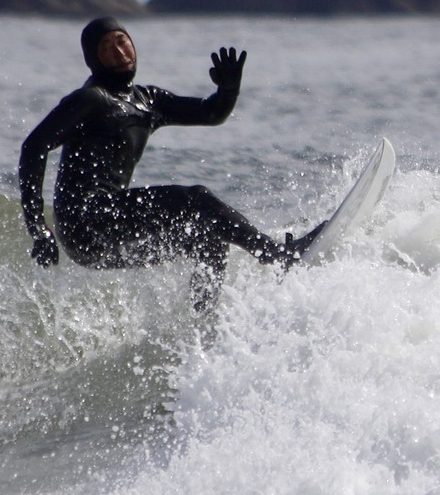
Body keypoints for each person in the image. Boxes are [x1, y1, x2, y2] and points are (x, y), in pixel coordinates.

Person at [18, 17, 322, 309]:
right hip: (85, 223)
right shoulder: (89, 100)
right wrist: (38, 228)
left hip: (109, 228)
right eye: (107, 48)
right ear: (93, 60)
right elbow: (33, 147)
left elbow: (211, 114)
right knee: (196, 199)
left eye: (122, 42)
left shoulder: (147, 100)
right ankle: (275, 254)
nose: (119, 53)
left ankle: (204, 330)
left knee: (209, 235)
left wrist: (228, 91)